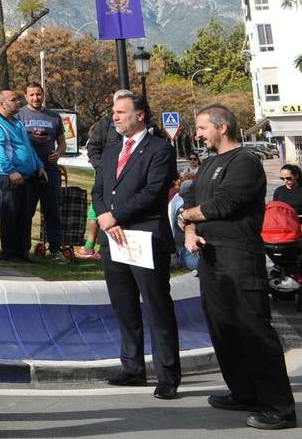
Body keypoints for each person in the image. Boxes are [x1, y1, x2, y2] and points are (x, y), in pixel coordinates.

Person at [179, 104, 297, 430]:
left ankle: (279, 408)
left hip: (239, 255)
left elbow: (224, 204)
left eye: (202, 127)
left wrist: (188, 218)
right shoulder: (208, 164)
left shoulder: (245, 161)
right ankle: (243, 392)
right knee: (222, 329)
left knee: (253, 329)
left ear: (222, 127)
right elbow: (189, 204)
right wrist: (189, 230)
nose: (198, 134)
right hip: (210, 257)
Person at [92, 93, 180, 398]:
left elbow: (154, 191)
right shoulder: (111, 151)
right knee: (124, 305)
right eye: (113, 112)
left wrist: (114, 216)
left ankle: (167, 375)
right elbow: (98, 189)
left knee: (156, 307)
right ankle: (132, 367)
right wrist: (106, 218)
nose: (114, 117)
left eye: (121, 112)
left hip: (144, 236)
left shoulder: (159, 149)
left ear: (140, 115)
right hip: (112, 238)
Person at [0, 88, 46, 263]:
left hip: (27, 176)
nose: (18, 102)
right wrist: (10, 171)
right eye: (13, 99)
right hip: (7, 177)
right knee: (10, 215)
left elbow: (27, 146)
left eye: (18, 99)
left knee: (25, 215)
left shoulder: (17, 122)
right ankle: (10, 253)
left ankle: (22, 252)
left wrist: (39, 165)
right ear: (2, 104)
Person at [75, 88, 136, 261]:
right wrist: (102, 168)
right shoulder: (105, 124)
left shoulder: (144, 127)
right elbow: (93, 148)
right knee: (98, 208)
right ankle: (93, 244)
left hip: (129, 175)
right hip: (106, 175)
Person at [19, 82, 66, 263]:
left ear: (43, 94)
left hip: (50, 170)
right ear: (26, 96)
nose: (35, 98)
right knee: (26, 211)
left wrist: (58, 153)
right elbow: (15, 141)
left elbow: (62, 142)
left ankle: (56, 250)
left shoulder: (54, 117)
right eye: (31, 95)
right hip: (29, 171)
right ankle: (23, 250)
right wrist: (29, 138)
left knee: (52, 211)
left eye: (38, 94)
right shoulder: (20, 115)